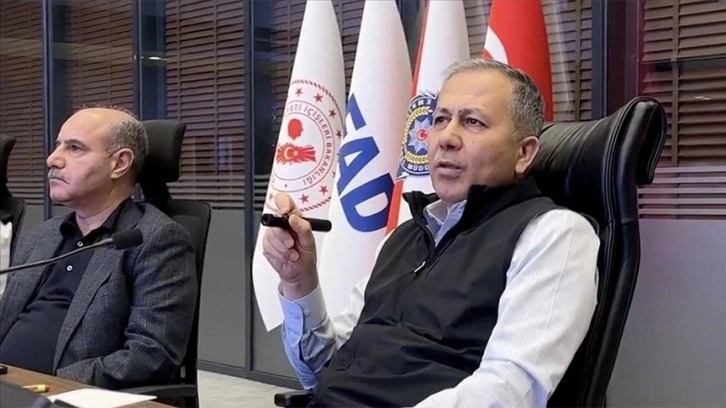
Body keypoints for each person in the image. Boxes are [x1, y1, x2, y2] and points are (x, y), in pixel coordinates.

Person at [262, 58, 600, 407]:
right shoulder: (402, 238)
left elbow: (509, 391)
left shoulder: (552, 235)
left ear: (524, 153)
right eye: (440, 119)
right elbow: (325, 373)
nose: (446, 138)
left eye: (472, 121)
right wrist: (299, 281)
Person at [0, 106, 197, 390]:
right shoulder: (42, 236)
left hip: (62, 394)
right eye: (58, 146)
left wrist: (52, 383)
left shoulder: (155, 239)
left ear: (120, 163)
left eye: (74, 148)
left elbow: (151, 354)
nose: (52, 159)